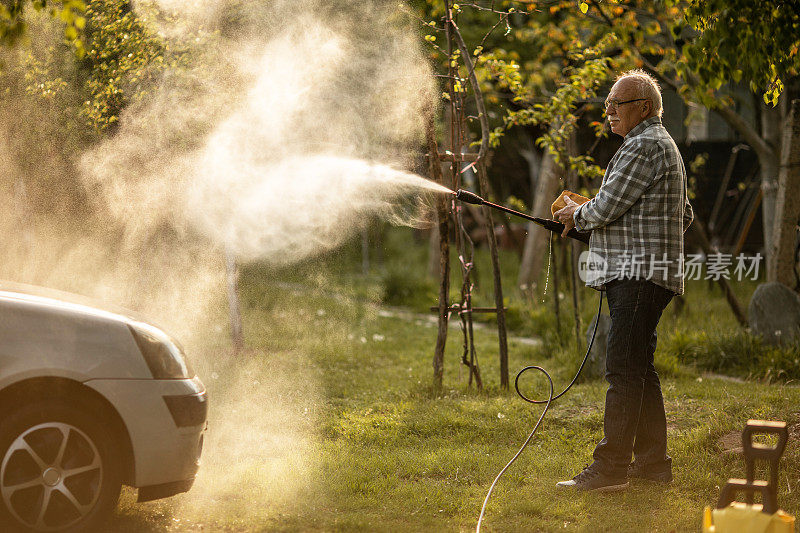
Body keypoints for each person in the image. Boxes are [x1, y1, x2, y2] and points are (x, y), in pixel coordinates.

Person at [553, 69, 694, 491]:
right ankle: (652, 467)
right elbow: (683, 215)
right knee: (639, 369)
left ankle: (610, 469)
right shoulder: (661, 145)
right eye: (608, 103)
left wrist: (573, 215)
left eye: (618, 103)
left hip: (636, 274)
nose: (609, 111)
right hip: (650, 274)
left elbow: (606, 206)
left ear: (644, 107)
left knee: (623, 373)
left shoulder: (643, 145)